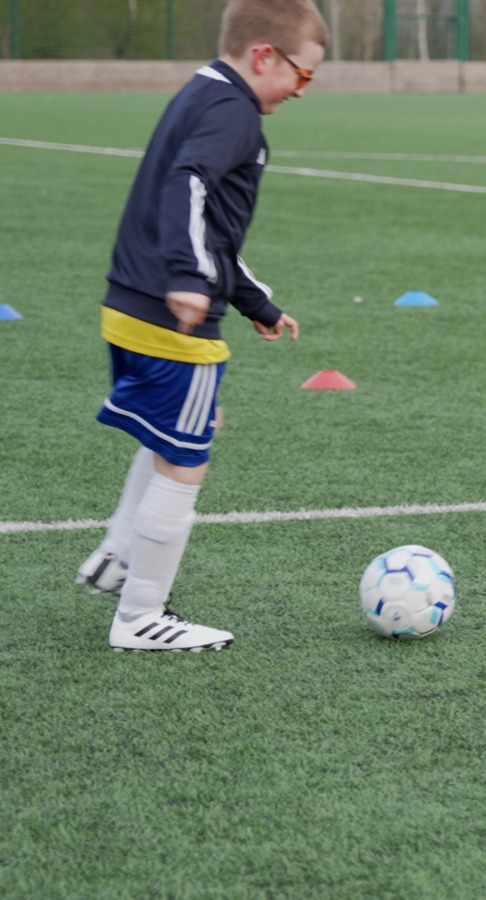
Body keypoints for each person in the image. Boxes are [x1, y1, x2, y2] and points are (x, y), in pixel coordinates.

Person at [75, 0, 327, 650]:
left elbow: (212, 225)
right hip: (170, 317)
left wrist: (255, 301)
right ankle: (139, 615)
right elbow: (187, 184)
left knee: (186, 428)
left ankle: (117, 555)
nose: (303, 90)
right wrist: (188, 276)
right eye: (302, 74)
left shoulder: (202, 92)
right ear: (264, 56)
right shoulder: (233, 111)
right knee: (186, 458)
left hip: (130, 304)